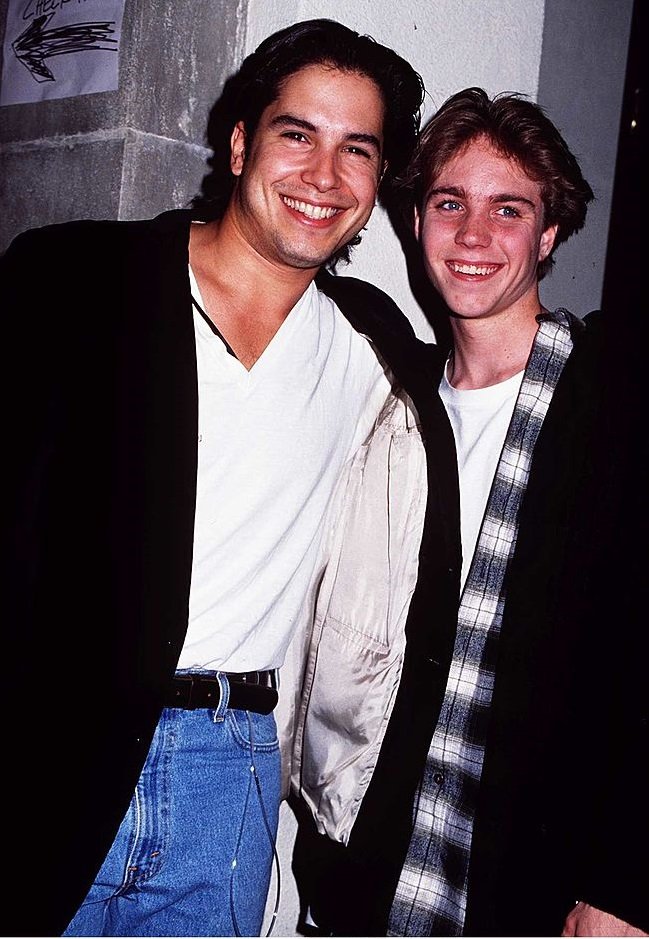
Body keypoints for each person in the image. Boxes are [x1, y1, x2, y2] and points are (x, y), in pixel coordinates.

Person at [0, 19, 427, 938]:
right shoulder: (72, 278)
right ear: (239, 141)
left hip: (229, 769)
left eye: (358, 149)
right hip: (51, 744)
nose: (324, 175)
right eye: (296, 134)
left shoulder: (373, 348)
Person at [292, 88, 649, 936]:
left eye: (510, 209)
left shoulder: (617, 399)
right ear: (416, 221)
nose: (475, 235)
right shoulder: (389, 398)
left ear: (549, 233)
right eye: (450, 202)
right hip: (377, 873)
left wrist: (623, 886)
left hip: (535, 879)